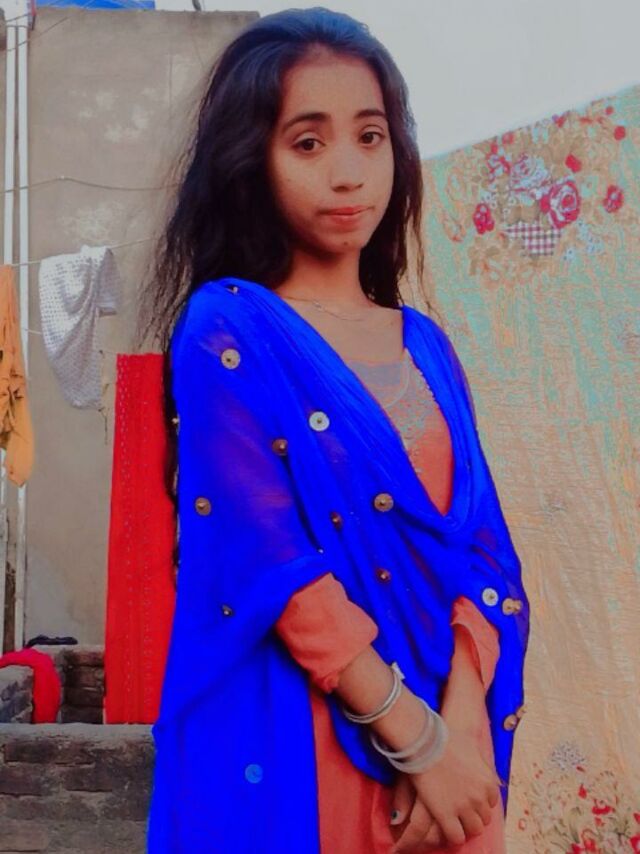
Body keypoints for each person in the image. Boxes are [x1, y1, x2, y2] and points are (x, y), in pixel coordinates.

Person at [137, 8, 530, 853]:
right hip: (313, 747)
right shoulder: (229, 330)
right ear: (254, 161)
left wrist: (460, 731)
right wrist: (413, 739)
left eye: (370, 137)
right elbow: (270, 563)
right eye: (308, 143)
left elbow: (483, 551)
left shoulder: (427, 345)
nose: (348, 173)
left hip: (452, 767)